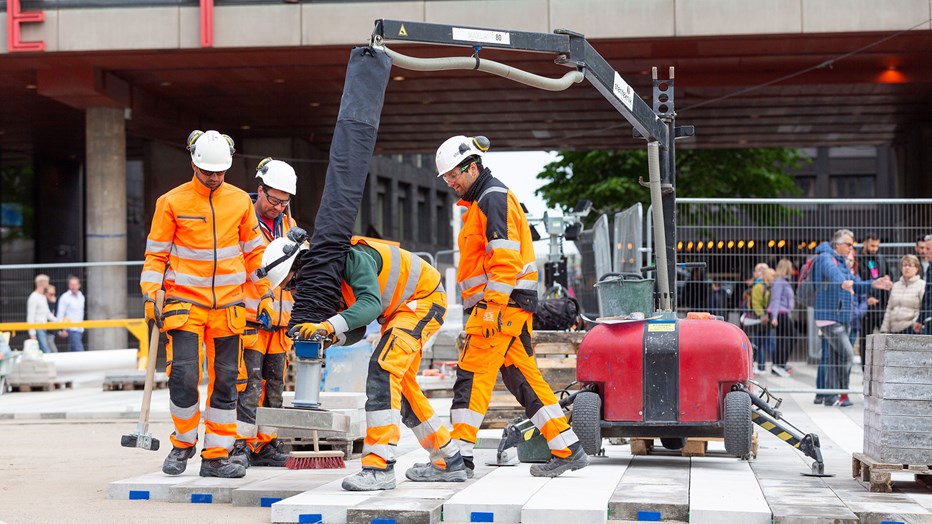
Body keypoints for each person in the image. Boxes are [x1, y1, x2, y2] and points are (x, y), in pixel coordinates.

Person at [434, 135, 589, 478]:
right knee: (523, 379)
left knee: (471, 377)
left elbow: (505, 259)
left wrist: (491, 307)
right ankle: (568, 448)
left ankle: (457, 460)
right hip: (508, 308)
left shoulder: (492, 198)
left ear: (472, 167)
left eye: (453, 175)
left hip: (499, 309)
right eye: (445, 177)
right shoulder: (484, 201)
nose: (450, 182)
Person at [141, 129, 273, 479]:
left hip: (229, 307)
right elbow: (156, 256)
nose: (214, 177)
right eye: (207, 172)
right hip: (185, 304)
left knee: (227, 382)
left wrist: (264, 294)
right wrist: (151, 292)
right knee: (183, 376)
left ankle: (216, 455)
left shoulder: (240, 202)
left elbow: (254, 254)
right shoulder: (171, 202)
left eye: (220, 172)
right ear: (193, 165)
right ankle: (183, 443)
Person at [289, 235, 469, 491]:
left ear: (301, 267)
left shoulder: (351, 258)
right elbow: (358, 327)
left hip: (421, 301)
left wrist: (328, 325)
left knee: (383, 369)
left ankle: (379, 467)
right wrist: (332, 337)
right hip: (402, 311)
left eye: (292, 283)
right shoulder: (330, 280)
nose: (293, 293)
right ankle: (448, 460)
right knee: (401, 387)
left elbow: (370, 305)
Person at [230, 158, 299, 469]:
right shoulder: (241, 220)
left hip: (280, 322)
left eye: (284, 202)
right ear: (260, 191)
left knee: (274, 385)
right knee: (249, 384)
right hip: (251, 317)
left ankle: (266, 443)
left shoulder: (288, 225)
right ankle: (241, 444)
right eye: (273, 200)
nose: (278, 207)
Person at [812, 229, 892, 408]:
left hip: (841, 317)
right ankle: (840, 393)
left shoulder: (841, 261)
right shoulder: (826, 257)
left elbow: (854, 283)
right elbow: (832, 272)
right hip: (829, 317)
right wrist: (843, 282)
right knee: (847, 355)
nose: (851, 247)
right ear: (837, 244)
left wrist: (873, 283)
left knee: (835, 357)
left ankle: (832, 396)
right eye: (848, 244)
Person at [856, 233, 888, 361]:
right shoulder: (857, 260)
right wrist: (866, 298)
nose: (875, 249)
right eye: (872, 246)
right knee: (865, 340)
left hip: (882, 305)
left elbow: (887, 274)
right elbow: (857, 282)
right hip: (866, 308)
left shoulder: (880, 258)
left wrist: (888, 279)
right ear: (864, 243)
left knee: (886, 338)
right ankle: (865, 368)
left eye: (877, 246)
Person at [881, 255, 925, 334]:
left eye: (910, 265)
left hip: (911, 329)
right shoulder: (896, 285)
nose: (907, 268)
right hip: (894, 330)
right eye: (904, 265)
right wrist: (884, 329)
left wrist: (915, 323)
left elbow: (923, 308)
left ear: (917, 268)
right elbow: (889, 308)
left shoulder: (922, 285)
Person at [767, 259, 794, 376]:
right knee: (787, 338)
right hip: (780, 313)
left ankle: (779, 364)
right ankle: (779, 364)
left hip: (783, 313)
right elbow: (775, 299)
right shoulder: (779, 281)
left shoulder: (784, 281)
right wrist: (774, 317)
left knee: (784, 339)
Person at [750, 267, 774, 374]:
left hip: (762, 318)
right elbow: (759, 303)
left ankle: (760, 367)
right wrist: (764, 315)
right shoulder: (764, 287)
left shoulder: (761, 286)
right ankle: (762, 366)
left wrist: (762, 316)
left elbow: (756, 303)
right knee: (762, 343)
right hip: (764, 318)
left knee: (759, 343)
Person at [26, 274, 56, 354]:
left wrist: (58, 321)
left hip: (44, 327)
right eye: (47, 282)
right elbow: (30, 316)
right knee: (46, 350)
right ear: (42, 283)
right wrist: (32, 333)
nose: (48, 285)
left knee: (45, 350)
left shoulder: (42, 297)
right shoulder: (33, 297)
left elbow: (47, 313)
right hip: (38, 328)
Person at [57, 275, 86, 352]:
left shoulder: (81, 296)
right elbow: (60, 314)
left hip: (80, 329)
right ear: (69, 285)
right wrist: (61, 329)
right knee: (79, 350)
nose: (74, 287)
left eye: (75, 284)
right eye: (72, 285)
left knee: (72, 351)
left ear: (79, 285)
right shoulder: (65, 297)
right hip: (71, 329)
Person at [913, 236, 932, 335]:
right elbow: (927, 295)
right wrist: (921, 319)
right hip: (928, 318)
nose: (925, 252)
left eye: (928, 249)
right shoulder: (929, 268)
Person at [45, 285, 60, 354]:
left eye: (54, 294)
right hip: (44, 330)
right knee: (52, 351)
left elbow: (55, 314)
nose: (53, 296)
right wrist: (51, 303)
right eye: (51, 294)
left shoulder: (55, 302)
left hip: (51, 331)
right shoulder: (43, 302)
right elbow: (48, 314)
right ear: (46, 293)